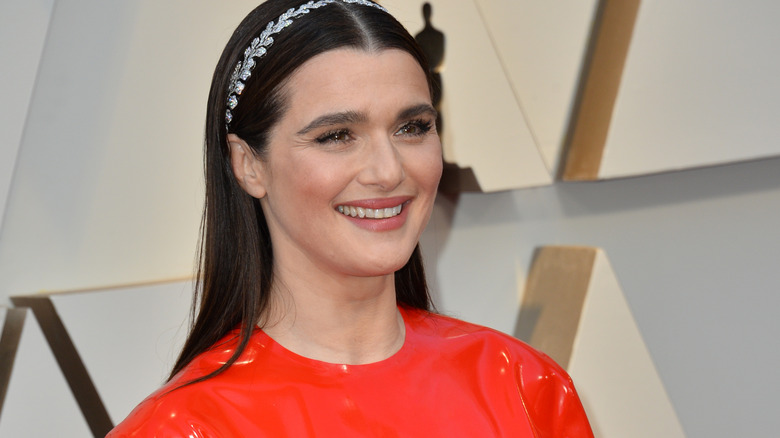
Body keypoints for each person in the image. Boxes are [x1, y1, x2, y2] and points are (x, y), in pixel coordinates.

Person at [109, 0, 594, 436]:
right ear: (248, 165)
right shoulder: (182, 429)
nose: (389, 171)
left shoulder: (525, 385)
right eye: (337, 135)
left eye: (412, 128)